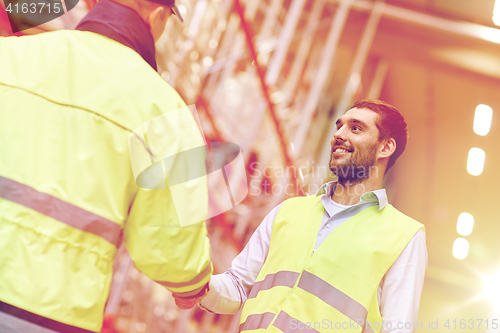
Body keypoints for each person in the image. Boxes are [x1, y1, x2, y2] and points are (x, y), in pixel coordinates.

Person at [0, 1, 212, 332]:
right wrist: (194, 284)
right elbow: (168, 246)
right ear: (157, 17)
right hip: (55, 313)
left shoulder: (12, 56)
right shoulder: (169, 115)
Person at [198, 100, 427, 333]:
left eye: (355, 128)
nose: (338, 134)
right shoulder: (288, 212)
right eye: (339, 126)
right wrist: (195, 282)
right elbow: (237, 286)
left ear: (385, 148)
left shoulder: (404, 237)